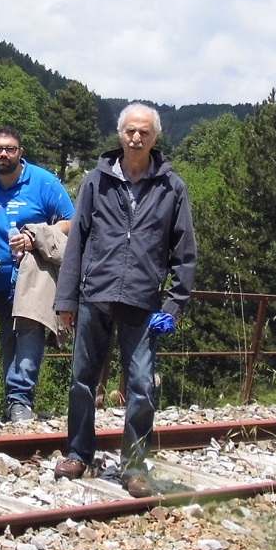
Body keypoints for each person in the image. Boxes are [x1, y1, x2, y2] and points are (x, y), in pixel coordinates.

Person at [54, 103, 196, 497]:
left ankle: (134, 467)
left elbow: (184, 253)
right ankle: (79, 453)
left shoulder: (172, 187)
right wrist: (66, 299)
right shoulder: (95, 182)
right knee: (82, 381)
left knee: (141, 387)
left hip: (142, 302)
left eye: (144, 133)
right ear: (120, 134)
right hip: (94, 295)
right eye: (131, 131)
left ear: (155, 138)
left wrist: (174, 305)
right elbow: (77, 241)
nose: (137, 138)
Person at [0, 126, 74, 422]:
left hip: (35, 278)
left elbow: (71, 221)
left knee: (30, 333)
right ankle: (14, 403)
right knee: (9, 339)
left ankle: (21, 400)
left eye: (10, 149)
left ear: (20, 152)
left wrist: (36, 237)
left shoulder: (43, 182)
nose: (3, 154)